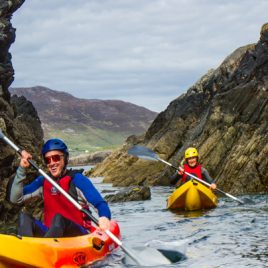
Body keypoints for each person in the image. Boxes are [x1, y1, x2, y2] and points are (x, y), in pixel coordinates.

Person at [8, 138, 111, 238]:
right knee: (24, 217)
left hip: (78, 235)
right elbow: (16, 199)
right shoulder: (43, 181)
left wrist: (104, 217)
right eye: (48, 160)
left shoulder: (77, 180)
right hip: (51, 235)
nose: (52, 163)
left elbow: (99, 203)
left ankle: (46, 248)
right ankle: (27, 248)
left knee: (59, 218)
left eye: (56, 158)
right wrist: (22, 169)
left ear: (65, 158)